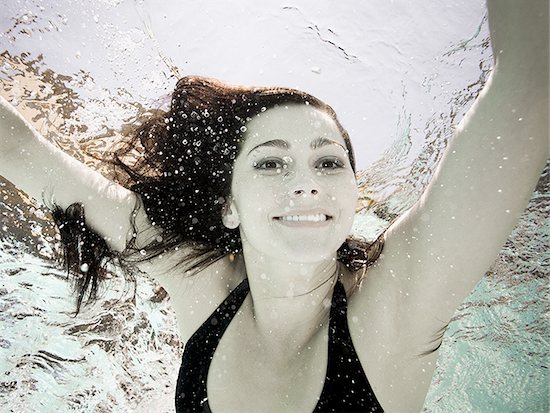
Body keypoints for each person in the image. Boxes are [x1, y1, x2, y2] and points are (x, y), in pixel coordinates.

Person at [0, 0, 547, 411]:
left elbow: (530, 78)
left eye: (329, 162)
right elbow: (22, 149)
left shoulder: (391, 310)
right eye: (270, 162)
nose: (306, 182)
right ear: (228, 206)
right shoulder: (201, 281)